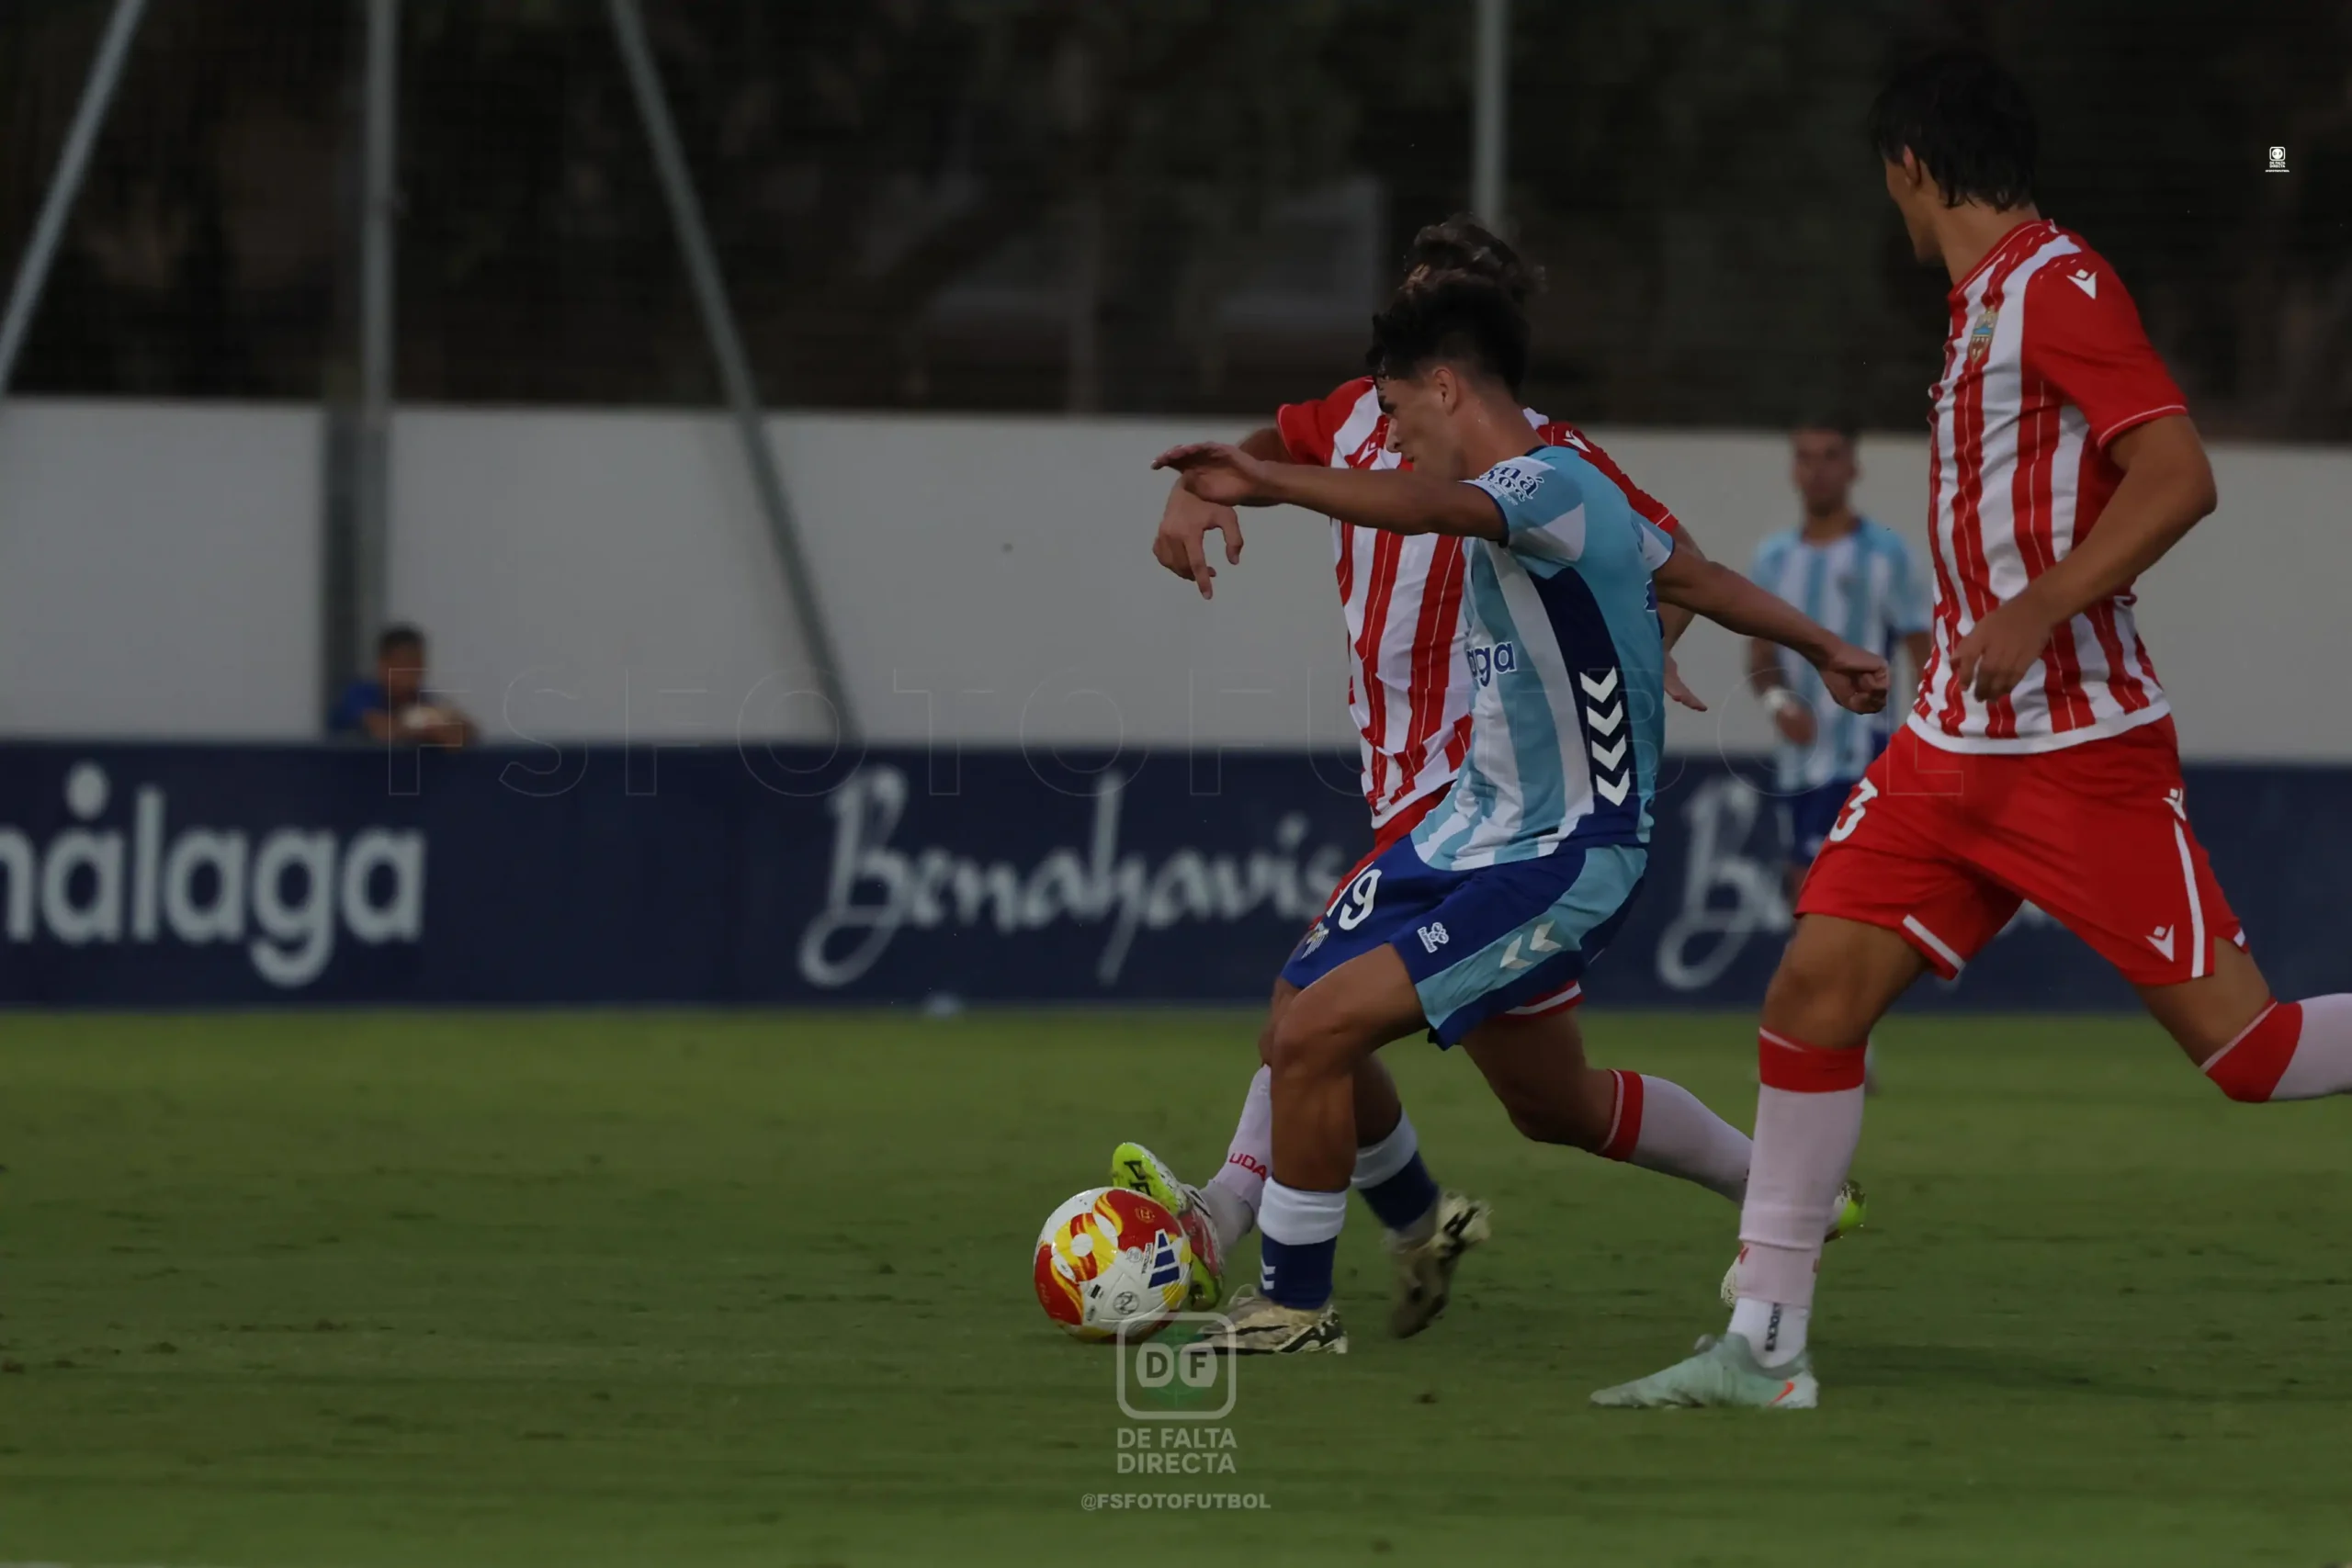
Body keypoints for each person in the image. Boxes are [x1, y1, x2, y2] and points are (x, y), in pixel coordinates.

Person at [1593, 51, 2352, 1413]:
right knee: (1812, 994)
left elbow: (2181, 474)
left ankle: (1765, 1330)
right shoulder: (1978, 306)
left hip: (2078, 752)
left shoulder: (2059, 286)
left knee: (2255, 1055)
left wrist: (2042, 605)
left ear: (1912, 168)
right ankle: (1765, 1340)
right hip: (1950, 751)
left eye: (1887, 177)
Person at [1117, 220, 1860, 1347]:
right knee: (1546, 1101)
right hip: (1462, 821)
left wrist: (1650, 646)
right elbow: (1303, 432)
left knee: (1311, 1026)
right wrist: (1226, 474)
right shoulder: (1375, 414)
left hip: (1507, 811)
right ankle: (1457, 1219)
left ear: (1456, 369)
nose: (1387, 399)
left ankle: (1243, 1242)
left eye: (1413, 356)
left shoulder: (1547, 471)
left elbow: (1662, 561)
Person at [1747, 425, 1932, 907]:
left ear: (1853, 468)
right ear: (1793, 469)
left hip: (1867, 755)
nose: (1818, 470)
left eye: (1831, 456)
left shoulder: (1886, 554)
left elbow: (1922, 652)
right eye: (1806, 458)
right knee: (1803, 891)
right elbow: (1760, 654)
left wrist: (1921, 741)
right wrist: (1777, 703)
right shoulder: (1774, 559)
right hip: (1800, 758)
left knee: (1859, 893)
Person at [327, 624, 477, 747]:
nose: (414, 672)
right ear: (383, 665)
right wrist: (426, 730)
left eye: (418, 663)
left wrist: (452, 729)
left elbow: (466, 729)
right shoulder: (359, 695)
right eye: (405, 664)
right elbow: (382, 729)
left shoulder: (423, 699)